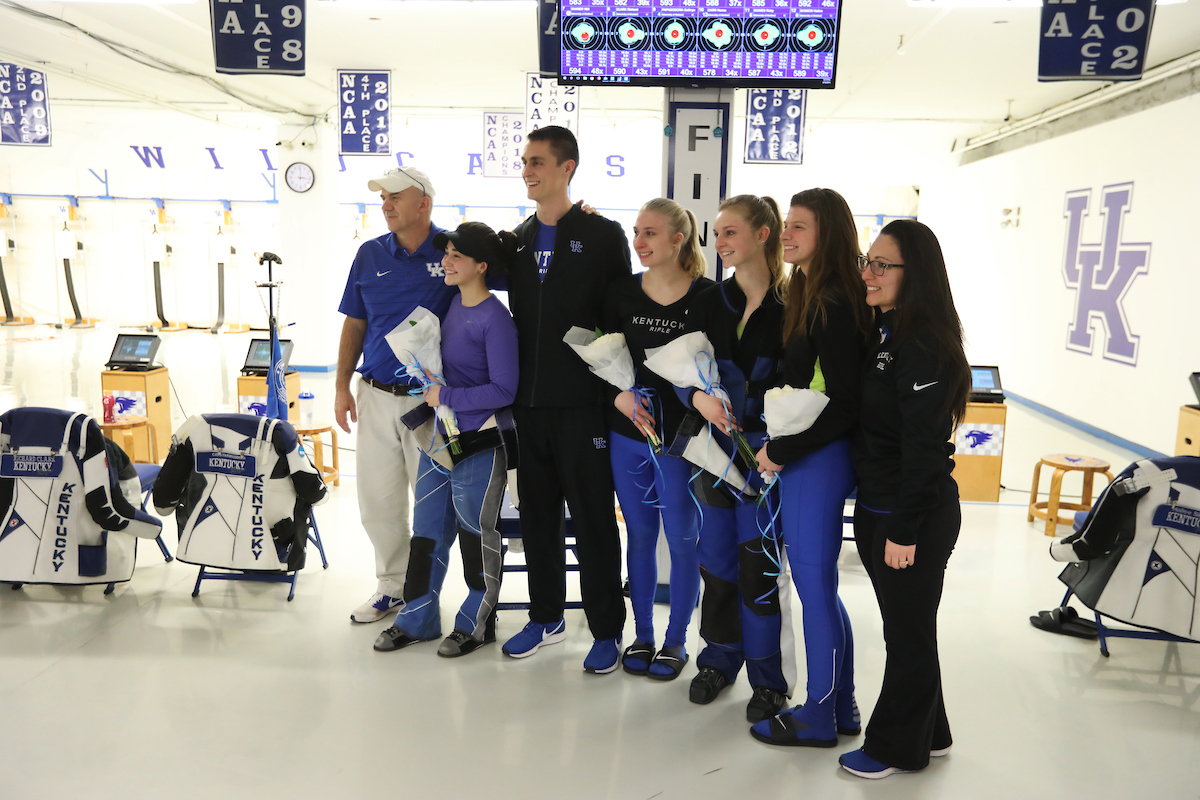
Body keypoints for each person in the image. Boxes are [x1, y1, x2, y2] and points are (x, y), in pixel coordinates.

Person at [839, 219, 970, 779]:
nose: (868, 274)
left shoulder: (921, 345)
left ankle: (896, 747)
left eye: (881, 265)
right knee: (911, 625)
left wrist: (905, 529)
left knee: (907, 634)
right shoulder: (888, 331)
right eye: (867, 262)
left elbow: (925, 449)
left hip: (909, 512)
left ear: (913, 274)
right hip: (882, 505)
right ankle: (932, 731)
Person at [501, 125, 632, 674]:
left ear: (567, 167)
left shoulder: (602, 236)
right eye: (525, 161)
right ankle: (546, 617)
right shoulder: (517, 239)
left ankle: (606, 629)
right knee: (538, 519)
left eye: (537, 161)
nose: (527, 170)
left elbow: (619, 318)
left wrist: (617, 393)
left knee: (594, 519)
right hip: (528, 407)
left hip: (583, 404)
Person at [748, 189, 874, 748]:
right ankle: (839, 704)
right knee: (819, 586)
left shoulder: (836, 301)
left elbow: (845, 401)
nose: (787, 234)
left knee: (814, 589)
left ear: (831, 233)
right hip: (813, 451)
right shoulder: (811, 290)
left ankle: (818, 715)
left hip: (820, 455)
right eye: (786, 225)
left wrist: (782, 451)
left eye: (800, 226)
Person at [372, 221, 520, 658]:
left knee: (476, 535)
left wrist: (445, 394)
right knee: (427, 533)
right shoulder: (454, 305)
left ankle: (476, 624)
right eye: (447, 253)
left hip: (480, 443)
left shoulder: (496, 320)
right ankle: (417, 618)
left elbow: (504, 390)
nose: (446, 262)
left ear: (482, 266)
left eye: (457, 256)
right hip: (440, 440)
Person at [683, 194, 791, 722]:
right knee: (720, 563)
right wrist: (696, 398)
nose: (719, 243)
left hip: (769, 456)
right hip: (713, 451)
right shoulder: (709, 301)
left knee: (759, 566)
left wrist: (778, 446)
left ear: (763, 235)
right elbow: (675, 370)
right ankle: (719, 660)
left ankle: (768, 679)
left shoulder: (795, 304)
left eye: (729, 233)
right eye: (717, 234)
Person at [336, 166, 457, 624]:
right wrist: (341, 385)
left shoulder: (453, 249)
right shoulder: (369, 255)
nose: (384, 204)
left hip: (431, 402)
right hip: (375, 394)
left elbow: (506, 275)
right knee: (378, 498)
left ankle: (425, 591)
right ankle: (391, 585)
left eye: (394, 197)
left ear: (423, 203)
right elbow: (355, 322)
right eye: (382, 197)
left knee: (433, 504)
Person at [602, 198, 713, 681]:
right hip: (630, 433)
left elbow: (715, 370)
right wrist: (618, 397)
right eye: (636, 232)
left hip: (682, 440)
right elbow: (599, 357)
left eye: (649, 233)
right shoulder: (620, 292)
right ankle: (642, 635)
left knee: (684, 540)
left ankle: (676, 641)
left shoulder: (708, 296)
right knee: (640, 535)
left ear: (677, 239)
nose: (639, 242)